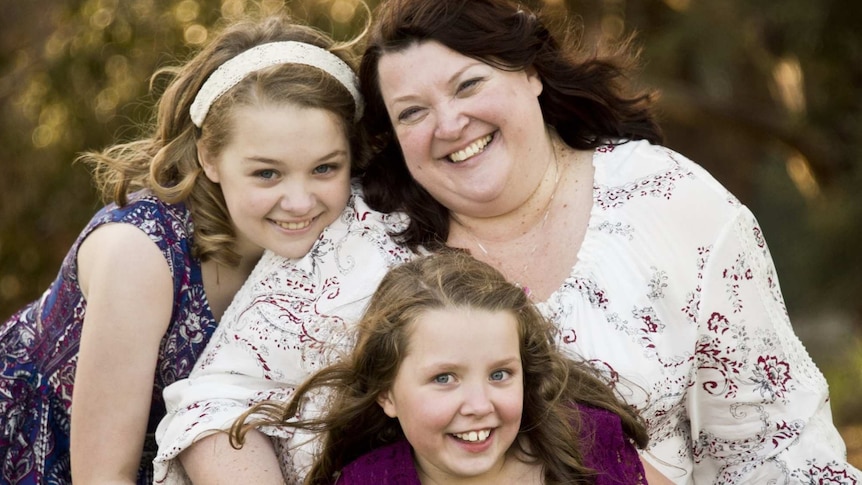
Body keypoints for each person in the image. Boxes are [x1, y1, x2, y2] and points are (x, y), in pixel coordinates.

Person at [156, 0, 862, 484]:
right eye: (412, 112)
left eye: (469, 84)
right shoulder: (361, 233)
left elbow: (777, 444)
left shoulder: (674, 207)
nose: (450, 123)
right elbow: (215, 405)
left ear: (529, 74)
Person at [0, 13, 371, 484]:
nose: (299, 202)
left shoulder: (351, 232)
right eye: (266, 173)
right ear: (209, 157)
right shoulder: (140, 254)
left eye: (324, 168)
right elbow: (101, 477)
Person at [231, 250, 675, 485]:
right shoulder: (369, 481)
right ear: (386, 393)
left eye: (500, 374)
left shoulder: (589, 448)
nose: (479, 405)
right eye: (445, 379)